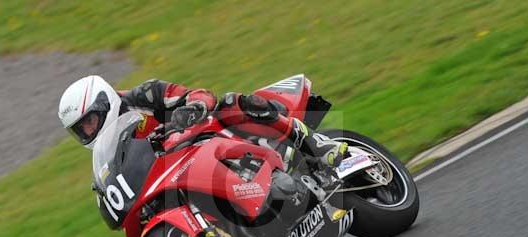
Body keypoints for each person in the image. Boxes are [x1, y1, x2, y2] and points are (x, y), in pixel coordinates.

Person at [58, 75, 348, 169]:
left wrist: (193, 107)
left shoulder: (144, 95)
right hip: (184, 168)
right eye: (80, 129)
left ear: (103, 103)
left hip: (209, 137)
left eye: (90, 121)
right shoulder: (111, 151)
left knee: (233, 103)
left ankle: (315, 144)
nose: (88, 130)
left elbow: (199, 94)